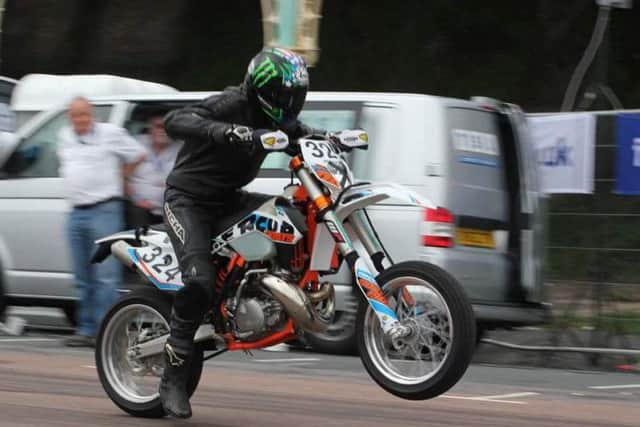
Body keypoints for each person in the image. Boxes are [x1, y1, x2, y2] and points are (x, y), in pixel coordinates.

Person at [159, 47, 315, 418]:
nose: (293, 103)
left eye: (297, 96)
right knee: (198, 282)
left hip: (229, 199)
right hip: (188, 202)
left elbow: (301, 132)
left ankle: (271, 301)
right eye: (287, 95)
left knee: (291, 217)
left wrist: (332, 139)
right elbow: (175, 120)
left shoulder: (276, 117)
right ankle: (172, 380)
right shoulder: (231, 104)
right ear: (266, 90)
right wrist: (225, 132)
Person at [58, 96, 146, 347]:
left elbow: (138, 154)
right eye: (76, 116)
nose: (81, 121)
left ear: (92, 114)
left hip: (104, 209)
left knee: (105, 275)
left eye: (84, 115)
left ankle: (105, 332)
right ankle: (86, 329)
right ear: (70, 117)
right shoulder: (65, 136)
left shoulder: (110, 133)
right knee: (82, 274)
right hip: (76, 212)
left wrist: (122, 176)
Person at [126, 115, 180, 226]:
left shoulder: (180, 148)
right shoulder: (136, 145)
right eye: (158, 126)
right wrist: (137, 199)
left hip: (172, 210)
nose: (162, 130)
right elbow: (122, 175)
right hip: (141, 208)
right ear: (151, 129)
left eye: (166, 127)